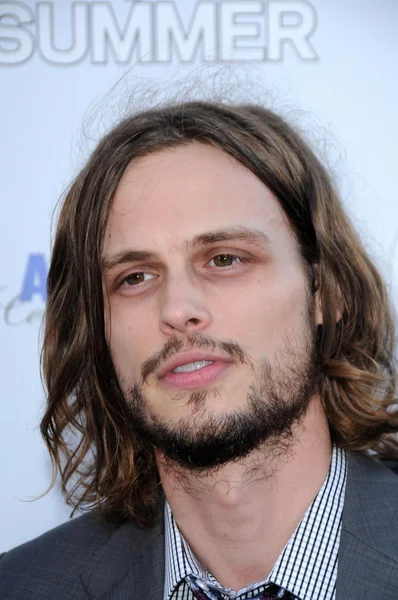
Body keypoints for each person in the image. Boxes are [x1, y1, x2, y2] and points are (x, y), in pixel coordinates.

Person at [1, 100, 398, 600]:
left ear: (327, 290)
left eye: (225, 259)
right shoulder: (22, 586)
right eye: (135, 277)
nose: (178, 308)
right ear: (98, 332)